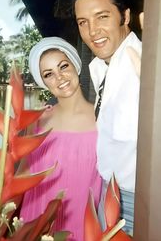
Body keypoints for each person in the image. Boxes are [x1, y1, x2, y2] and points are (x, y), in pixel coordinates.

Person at [71, 0, 142, 236]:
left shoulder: (145, 67)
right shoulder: (101, 68)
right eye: (83, 22)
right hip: (107, 193)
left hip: (136, 203)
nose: (92, 32)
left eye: (102, 17)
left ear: (125, 16)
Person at [20, 37, 102, 241]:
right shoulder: (36, 121)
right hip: (36, 221)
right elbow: (22, 176)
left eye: (63, 66)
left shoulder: (103, 120)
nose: (60, 77)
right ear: (44, 82)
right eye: (49, 74)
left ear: (75, 65)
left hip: (82, 228)